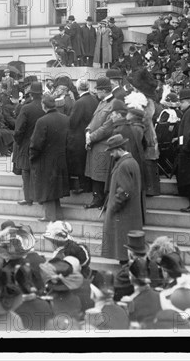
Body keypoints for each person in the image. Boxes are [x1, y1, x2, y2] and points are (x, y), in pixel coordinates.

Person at [101, 135, 143, 261]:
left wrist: (113, 206)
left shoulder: (124, 165)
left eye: (112, 151)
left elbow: (125, 191)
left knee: (123, 253)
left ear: (119, 149)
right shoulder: (132, 162)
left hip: (122, 215)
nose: (111, 155)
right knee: (128, 251)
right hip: (129, 214)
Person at [29, 94, 70, 222]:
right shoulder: (65, 119)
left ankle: (50, 216)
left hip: (45, 160)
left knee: (47, 188)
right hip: (61, 158)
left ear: (43, 105)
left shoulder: (42, 121)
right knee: (55, 188)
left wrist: (32, 156)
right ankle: (58, 215)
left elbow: (36, 143)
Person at [84, 78, 115, 209]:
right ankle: (97, 198)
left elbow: (108, 127)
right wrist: (88, 131)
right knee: (95, 174)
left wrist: (91, 136)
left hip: (103, 145)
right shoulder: (102, 103)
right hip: (95, 144)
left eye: (98, 90)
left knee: (100, 174)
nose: (96, 92)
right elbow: (94, 120)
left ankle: (100, 200)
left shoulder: (113, 104)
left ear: (104, 91)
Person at [13, 81, 46, 206]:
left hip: (26, 144)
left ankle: (28, 198)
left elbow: (19, 129)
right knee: (40, 172)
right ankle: (41, 197)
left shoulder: (26, 108)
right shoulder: (45, 107)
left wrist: (19, 142)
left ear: (31, 94)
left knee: (26, 172)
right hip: (43, 144)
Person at [67, 78, 99, 195]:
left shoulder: (79, 102)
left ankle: (83, 186)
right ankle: (88, 185)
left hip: (80, 136)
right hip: (91, 133)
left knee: (80, 162)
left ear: (78, 88)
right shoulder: (94, 99)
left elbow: (72, 122)